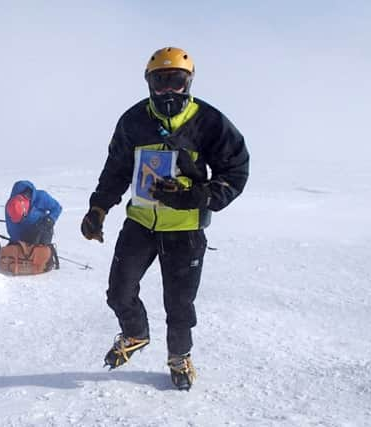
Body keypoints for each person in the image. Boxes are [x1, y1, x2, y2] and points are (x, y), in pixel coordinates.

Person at [81, 46, 249, 390]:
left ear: (189, 83)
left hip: (185, 231)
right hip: (140, 224)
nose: (169, 90)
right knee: (119, 292)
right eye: (161, 82)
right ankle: (135, 333)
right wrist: (98, 208)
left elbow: (235, 171)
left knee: (179, 304)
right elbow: (116, 169)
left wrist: (196, 196)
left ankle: (179, 357)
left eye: (177, 82)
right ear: (149, 84)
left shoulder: (210, 122)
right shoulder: (133, 121)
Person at [5, 180, 62, 245]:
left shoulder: (41, 197)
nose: (21, 220)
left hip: (42, 229)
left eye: (22, 217)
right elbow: (13, 230)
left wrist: (50, 219)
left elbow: (57, 208)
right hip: (23, 234)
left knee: (40, 248)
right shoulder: (10, 206)